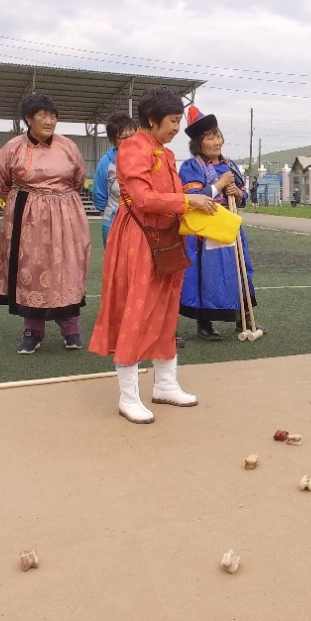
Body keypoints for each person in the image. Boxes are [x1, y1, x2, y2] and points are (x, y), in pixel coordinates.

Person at [89, 87, 219, 424]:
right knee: (136, 307)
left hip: (167, 238)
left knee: (165, 307)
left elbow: (170, 194)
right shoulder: (133, 147)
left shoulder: (165, 152)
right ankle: (128, 396)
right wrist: (189, 202)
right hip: (139, 239)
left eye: (178, 120)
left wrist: (197, 203)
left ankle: (164, 384)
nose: (177, 127)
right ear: (152, 119)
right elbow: (143, 198)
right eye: (173, 121)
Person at [0, 93, 91, 354]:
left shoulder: (68, 146)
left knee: (67, 268)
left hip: (65, 216)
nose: (49, 120)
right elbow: (0, 184)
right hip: (27, 218)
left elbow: (78, 180)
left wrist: (56, 202)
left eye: (53, 115)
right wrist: (32, 203)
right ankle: (32, 331)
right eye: (43, 115)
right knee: (32, 270)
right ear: (28, 119)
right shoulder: (12, 148)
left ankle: (71, 328)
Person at [178, 107, 258, 341]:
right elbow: (192, 199)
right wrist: (220, 185)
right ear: (198, 143)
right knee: (209, 274)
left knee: (241, 269)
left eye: (218, 135)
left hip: (231, 226)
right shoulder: (191, 167)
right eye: (210, 137)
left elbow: (243, 196)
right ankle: (205, 322)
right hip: (206, 232)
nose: (216, 141)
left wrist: (238, 193)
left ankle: (244, 316)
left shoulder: (230, 165)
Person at [93, 111, 138, 246]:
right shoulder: (106, 163)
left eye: (133, 135)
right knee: (115, 266)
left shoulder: (147, 159)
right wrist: (115, 213)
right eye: (124, 137)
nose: (130, 141)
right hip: (114, 224)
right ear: (113, 140)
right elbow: (99, 197)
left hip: (142, 225)